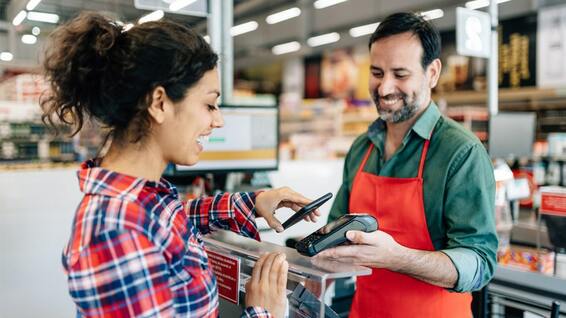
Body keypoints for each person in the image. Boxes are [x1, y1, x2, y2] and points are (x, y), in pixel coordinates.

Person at [41, 12, 319, 318]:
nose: (219, 120)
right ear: (159, 103)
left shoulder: (143, 197)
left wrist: (251, 202)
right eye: (209, 104)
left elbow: (169, 220)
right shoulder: (116, 230)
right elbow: (145, 228)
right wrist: (262, 312)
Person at [316, 12, 498, 317]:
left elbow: (480, 263)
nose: (385, 88)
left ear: (432, 73)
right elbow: (334, 237)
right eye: (376, 73)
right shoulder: (363, 147)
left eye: (400, 74)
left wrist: (398, 258)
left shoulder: (460, 152)